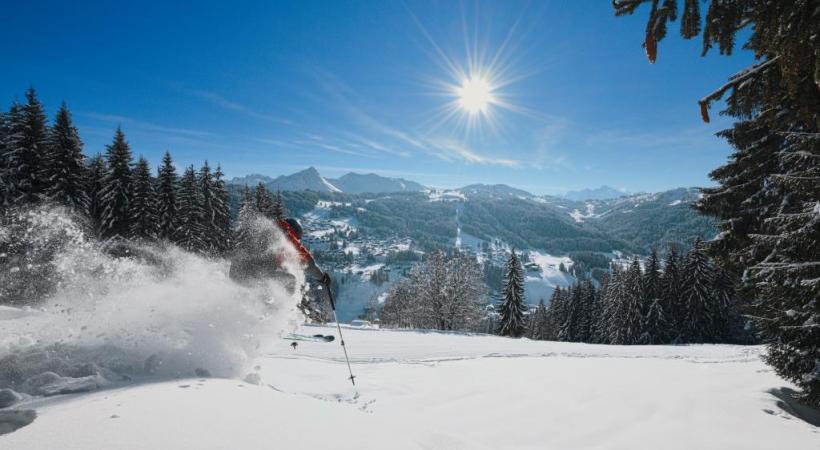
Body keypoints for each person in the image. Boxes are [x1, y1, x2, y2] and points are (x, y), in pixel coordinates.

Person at [229, 216, 330, 287]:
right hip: (252, 273)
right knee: (290, 281)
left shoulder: (270, 229)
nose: (297, 240)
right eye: (297, 238)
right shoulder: (285, 233)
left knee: (278, 277)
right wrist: (321, 277)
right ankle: (278, 314)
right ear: (295, 231)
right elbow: (307, 261)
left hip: (237, 272)